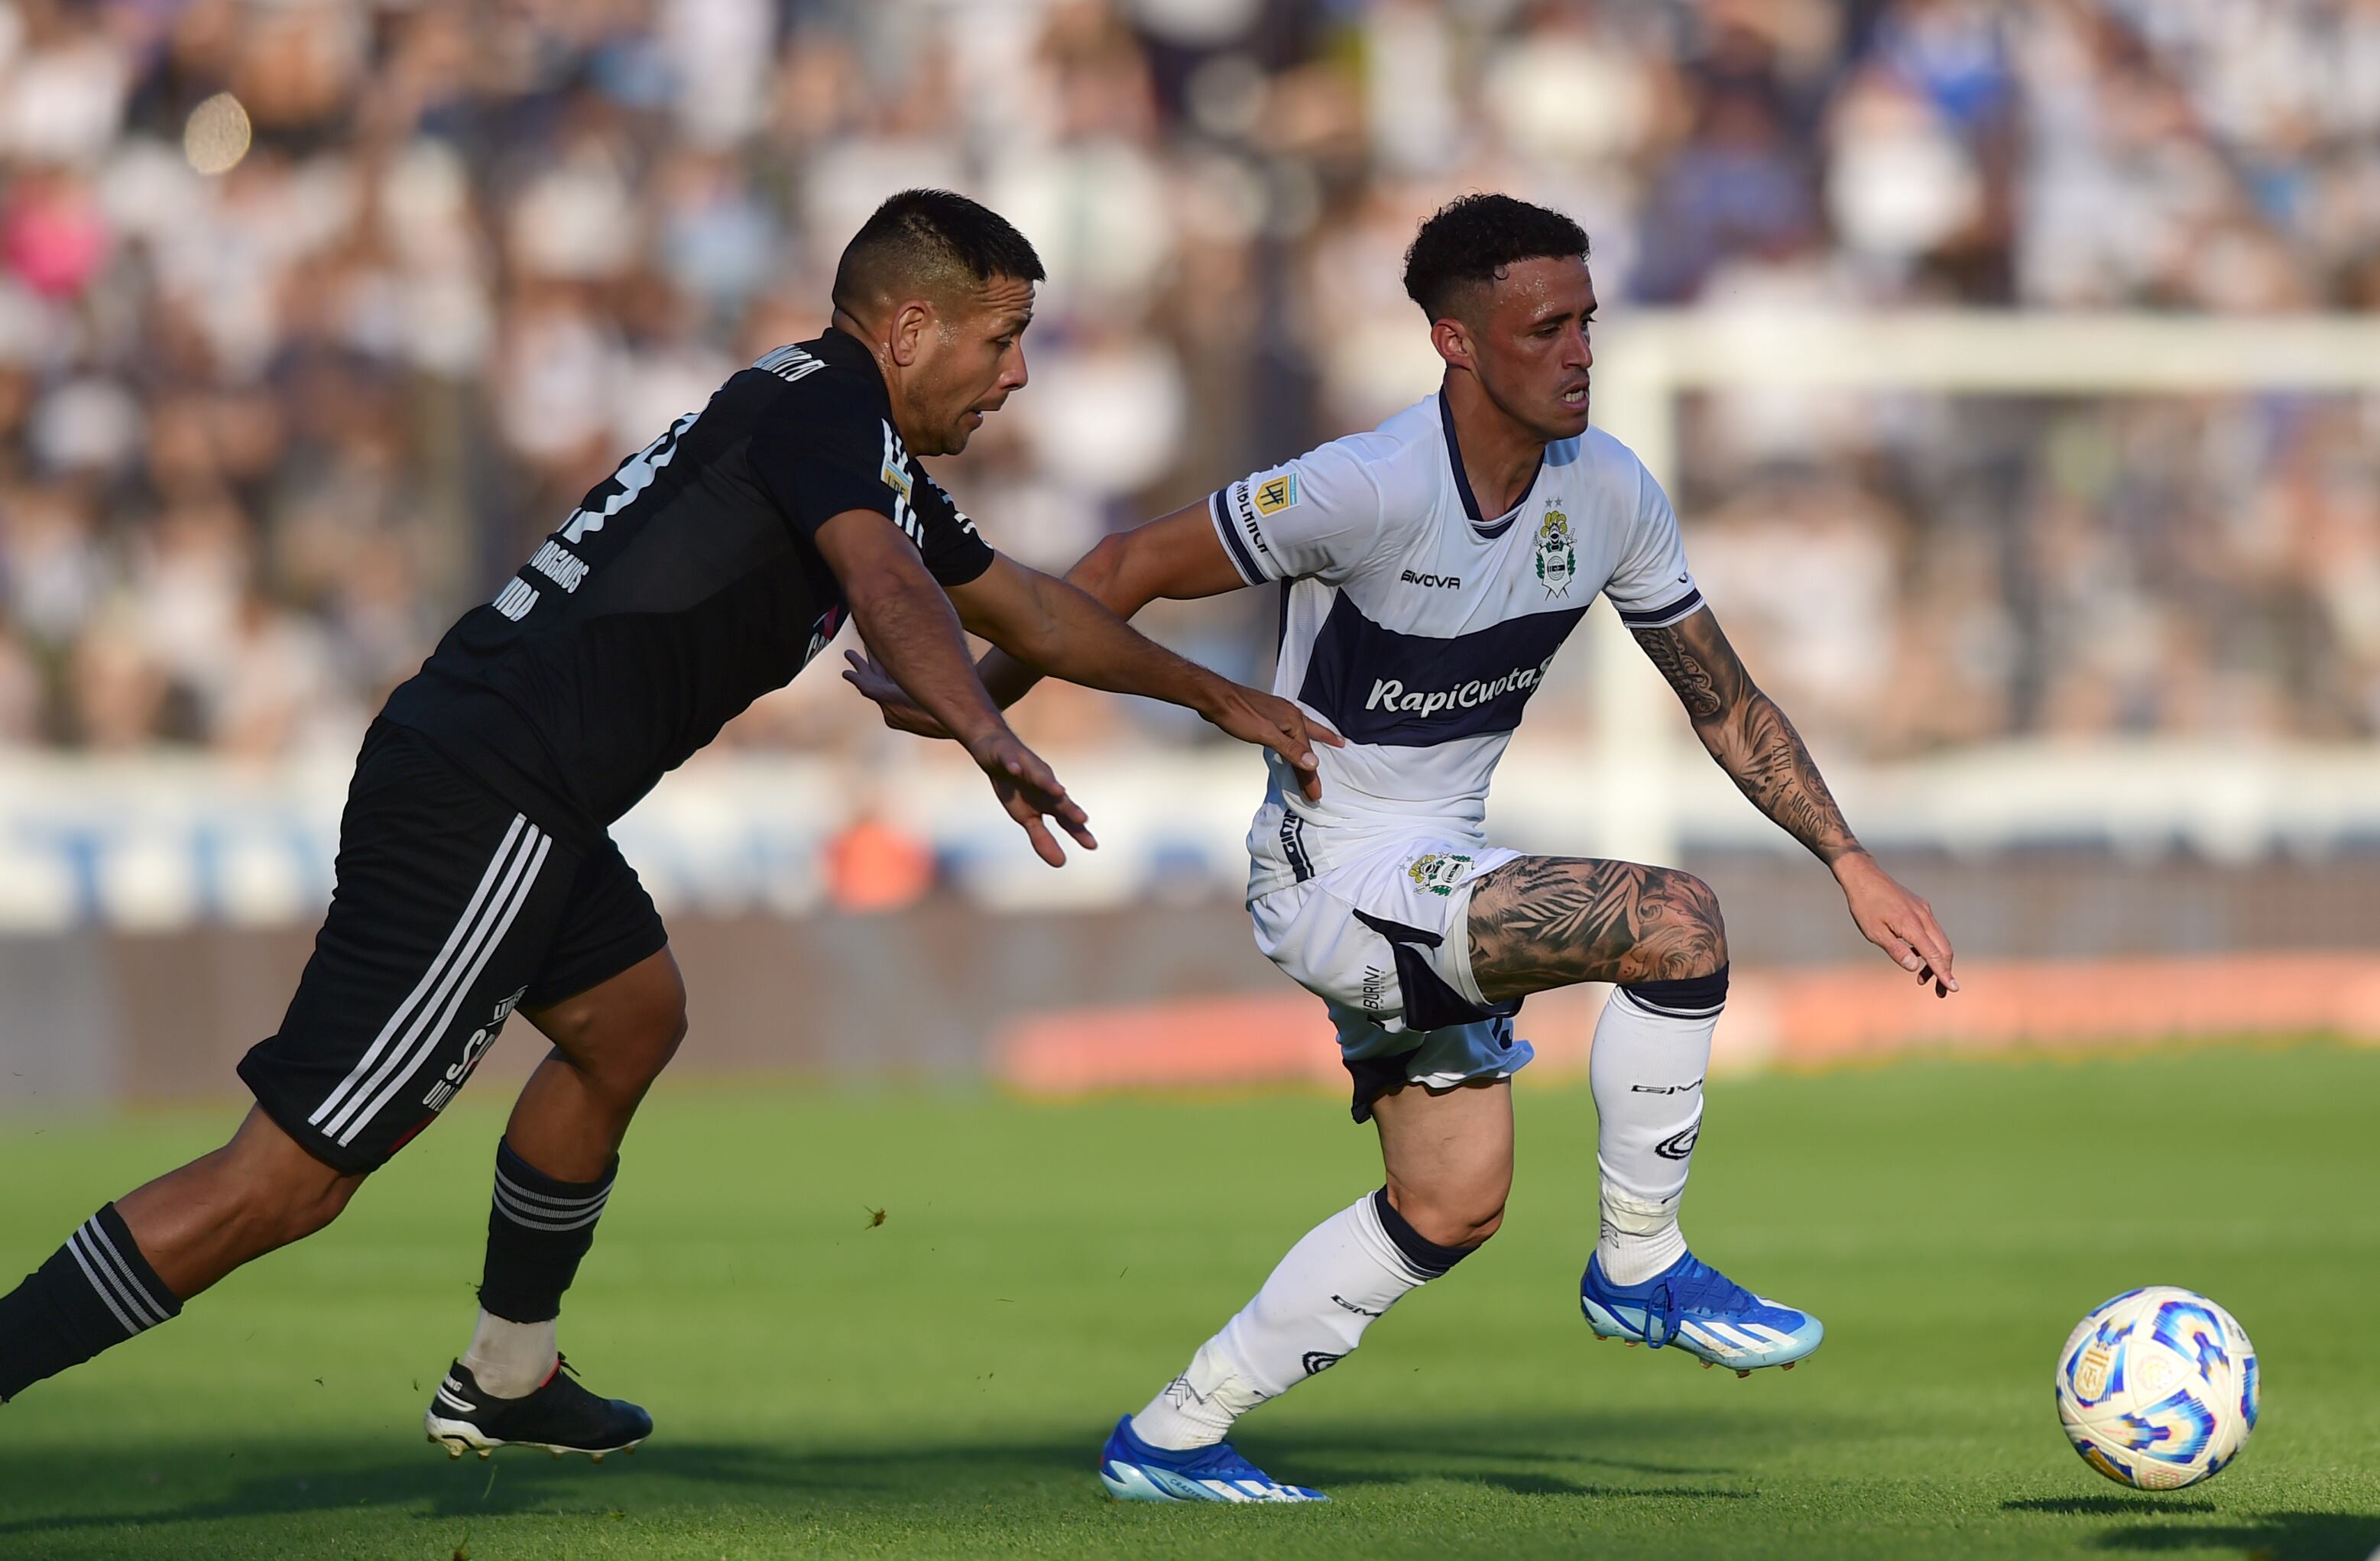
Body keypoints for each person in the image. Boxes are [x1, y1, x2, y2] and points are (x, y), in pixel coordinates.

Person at [0, 190, 1335, 1462]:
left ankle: (508, 1375)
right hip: (491, 794)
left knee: (630, 1017)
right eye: (1003, 341)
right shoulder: (831, 411)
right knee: (285, 1183)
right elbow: (881, 579)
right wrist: (985, 732)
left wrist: (1217, 693)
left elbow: (1027, 608)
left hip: (523, 788)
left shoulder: (834, 428)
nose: (1018, 376)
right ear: (909, 330)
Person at [851, 193, 1959, 1503]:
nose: (1579, 353)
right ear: (1455, 342)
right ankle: (1641, 1263)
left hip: (1434, 872)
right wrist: (975, 700)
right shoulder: (1363, 486)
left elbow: (1721, 698)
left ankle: (1173, 1436)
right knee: (1672, 921)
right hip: (1332, 876)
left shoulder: (1607, 490)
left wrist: (1847, 858)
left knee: (1450, 1203)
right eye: (1544, 329)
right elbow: (1126, 560)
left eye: (1586, 323)